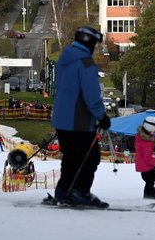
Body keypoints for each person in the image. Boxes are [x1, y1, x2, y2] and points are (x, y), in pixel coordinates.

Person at [50, 25, 111, 208]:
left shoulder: (64, 58)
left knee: (70, 157)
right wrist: (101, 116)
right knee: (90, 158)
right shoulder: (85, 62)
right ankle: (80, 191)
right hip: (79, 120)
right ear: (90, 42)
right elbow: (91, 95)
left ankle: (63, 190)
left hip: (62, 118)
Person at [134, 116, 155, 200]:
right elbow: (148, 159)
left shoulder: (140, 137)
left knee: (150, 182)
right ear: (150, 129)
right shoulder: (147, 141)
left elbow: (144, 154)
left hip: (143, 166)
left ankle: (150, 197)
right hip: (146, 167)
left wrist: (152, 156)